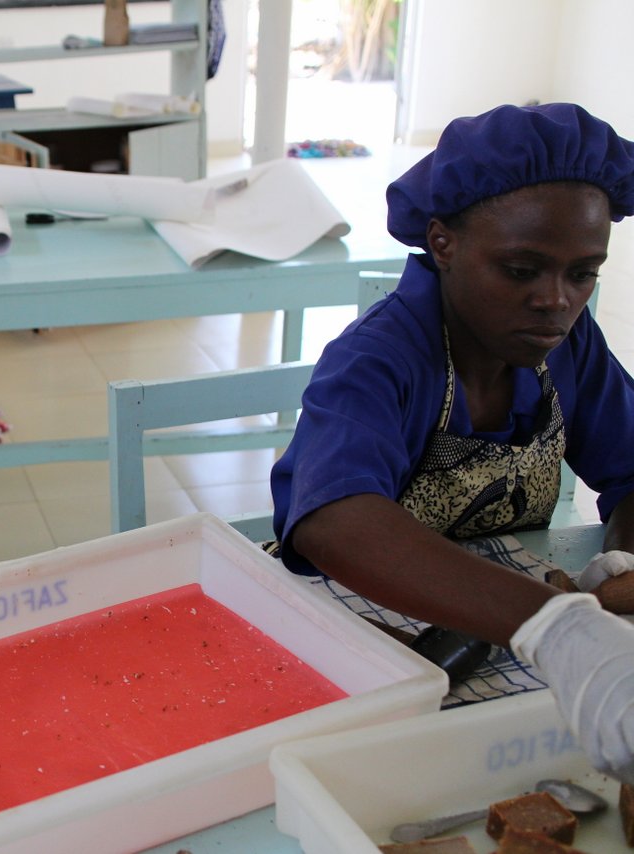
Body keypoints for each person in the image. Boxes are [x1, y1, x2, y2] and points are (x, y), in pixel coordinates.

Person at [270, 102, 634, 783]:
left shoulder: (570, 349)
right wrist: (558, 628)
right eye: (522, 270)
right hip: (364, 646)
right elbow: (334, 521)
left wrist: (621, 571)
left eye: (582, 274)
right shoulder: (380, 360)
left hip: (500, 630)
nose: (556, 301)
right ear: (443, 243)